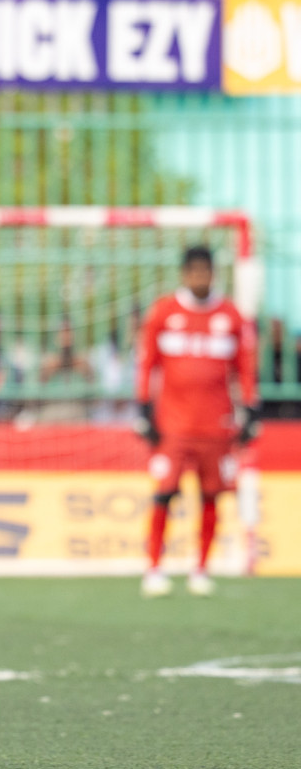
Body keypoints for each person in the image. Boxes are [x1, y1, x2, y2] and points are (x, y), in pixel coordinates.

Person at [134, 246, 258, 598]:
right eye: (194, 271)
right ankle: (154, 567)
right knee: (164, 494)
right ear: (185, 274)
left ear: (214, 274)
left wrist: (249, 409)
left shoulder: (230, 316)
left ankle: (200, 568)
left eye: (206, 271)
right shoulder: (164, 311)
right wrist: (144, 408)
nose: (200, 278)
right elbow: (146, 364)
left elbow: (245, 370)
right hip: (173, 425)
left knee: (210, 497)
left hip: (216, 426)